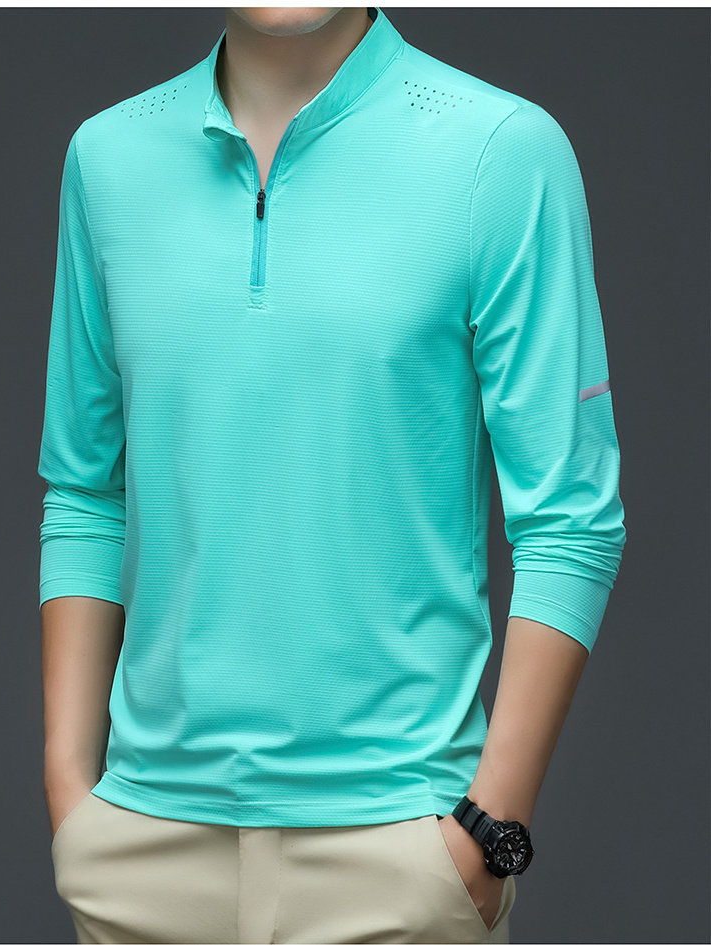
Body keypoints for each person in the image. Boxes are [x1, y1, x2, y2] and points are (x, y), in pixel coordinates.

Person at [38, 7, 627, 944]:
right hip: (140, 855)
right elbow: (85, 490)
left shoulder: (501, 152)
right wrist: (73, 795)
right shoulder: (107, 159)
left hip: (398, 858)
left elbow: (571, 516)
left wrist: (488, 832)